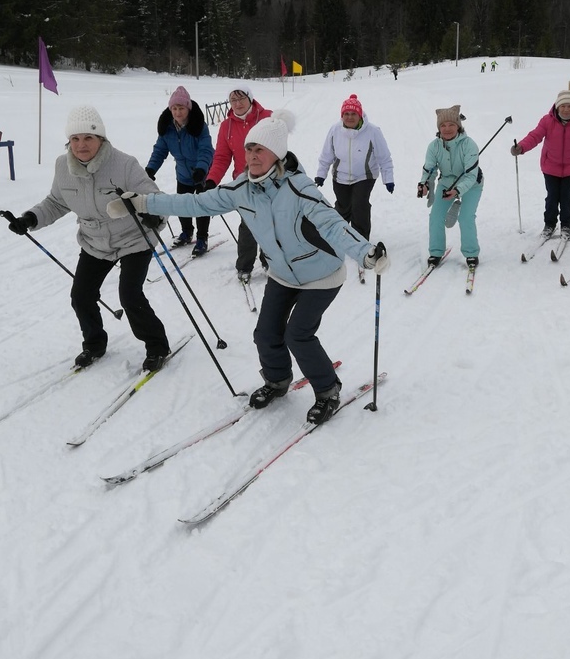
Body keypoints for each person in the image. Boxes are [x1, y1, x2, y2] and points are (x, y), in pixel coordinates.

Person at [107, 110, 390, 425]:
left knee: (298, 334)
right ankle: (278, 380)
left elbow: (333, 224)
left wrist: (366, 252)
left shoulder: (299, 188)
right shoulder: (242, 189)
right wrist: (144, 203)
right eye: (249, 149)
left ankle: (327, 391)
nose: (253, 156)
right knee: (265, 333)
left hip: (321, 274)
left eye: (260, 150)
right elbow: (194, 203)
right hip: (283, 274)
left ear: (277, 154)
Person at [4, 106, 171, 371]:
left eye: (88, 138)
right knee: (81, 296)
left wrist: (155, 216)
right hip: (95, 242)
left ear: (101, 139)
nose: (81, 145)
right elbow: (56, 202)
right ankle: (94, 344)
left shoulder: (124, 164)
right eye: (75, 139)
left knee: (129, 295)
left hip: (133, 239)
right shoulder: (63, 166)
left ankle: (157, 346)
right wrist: (30, 219)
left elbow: (153, 197)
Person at [205, 85, 271, 282]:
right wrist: (211, 179)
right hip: (244, 182)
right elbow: (222, 157)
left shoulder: (267, 117)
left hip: (269, 179)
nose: (238, 104)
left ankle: (270, 261)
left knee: (270, 223)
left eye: (241, 99)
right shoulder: (226, 127)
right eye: (233, 100)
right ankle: (244, 266)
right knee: (248, 224)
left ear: (250, 99)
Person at [314, 93, 395, 242]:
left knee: (359, 206)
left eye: (353, 114)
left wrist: (388, 179)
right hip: (340, 177)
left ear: (360, 115)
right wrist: (321, 174)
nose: (349, 117)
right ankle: (340, 237)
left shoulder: (373, 131)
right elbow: (326, 155)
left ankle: (360, 240)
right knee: (343, 207)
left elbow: (384, 158)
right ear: (342, 115)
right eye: (346, 114)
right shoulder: (334, 130)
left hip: (365, 176)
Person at [512, 90, 570, 240]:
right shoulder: (547, 121)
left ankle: (566, 225)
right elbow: (535, 136)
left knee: (567, 198)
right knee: (552, 197)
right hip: (551, 166)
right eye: (563, 106)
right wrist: (521, 147)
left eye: (569, 106)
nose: (566, 109)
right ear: (557, 106)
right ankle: (549, 224)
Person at [145, 85, 214, 256]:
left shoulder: (199, 126)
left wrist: (201, 169)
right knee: (182, 205)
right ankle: (186, 232)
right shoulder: (167, 128)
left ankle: (202, 237)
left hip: (201, 172)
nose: (177, 112)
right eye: (174, 108)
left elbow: (206, 150)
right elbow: (160, 150)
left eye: (181, 108)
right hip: (183, 173)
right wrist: (150, 169)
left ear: (188, 108)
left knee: (201, 206)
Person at [417, 104, 483, 269]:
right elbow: (430, 170)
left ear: (458, 126)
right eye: (443, 125)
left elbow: (470, 175)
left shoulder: (469, 145)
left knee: (466, 217)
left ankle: (471, 253)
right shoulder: (434, 146)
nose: (447, 129)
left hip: (472, 184)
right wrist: (424, 184)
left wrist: (458, 190)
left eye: (451, 125)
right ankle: (436, 252)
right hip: (447, 182)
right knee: (435, 217)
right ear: (439, 128)